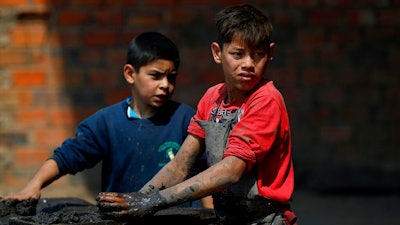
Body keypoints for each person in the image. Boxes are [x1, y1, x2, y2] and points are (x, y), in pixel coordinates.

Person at [97, 4, 297, 225]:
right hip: (228, 217)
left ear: (270, 54)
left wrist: (152, 202)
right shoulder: (212, 98)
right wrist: (139, 199)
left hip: (264, 219)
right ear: (217, 53)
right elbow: (181, 162)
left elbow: (232, 171)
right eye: (238, 54)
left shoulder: (266, 100)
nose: (248, 64)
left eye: (258, 54)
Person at [3, 31, 211, 208]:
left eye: (171, 76)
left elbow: (206, 175)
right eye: (156, 76)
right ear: (130, 74)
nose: (165, 84)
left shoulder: (185, 118)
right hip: (120, 219)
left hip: (178, 218)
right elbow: (67, 156)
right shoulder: (107, 122)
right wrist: (34, 185)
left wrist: (209, 214)